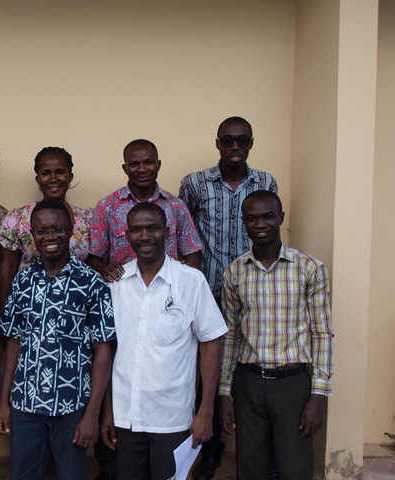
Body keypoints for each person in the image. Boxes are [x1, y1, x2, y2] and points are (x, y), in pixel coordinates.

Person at [179, 117, 277, 480]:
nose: (235, 147)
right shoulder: (194, 183)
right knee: (206, 376)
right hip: (206, 294)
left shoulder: (265, 182)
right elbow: (184, 234)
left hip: (254, 294)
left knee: (249, 372)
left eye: (242, 141)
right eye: (228, 141)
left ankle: (259, 453)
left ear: (251, 143)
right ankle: (209, 451)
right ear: (217, 143)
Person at [100, 203, 226, 480]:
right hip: (125, 417)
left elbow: (210, 344)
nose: (145, 236)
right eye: (137, 229)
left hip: (173, 418)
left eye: (153, 228)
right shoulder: (116, 284)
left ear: (167, 232)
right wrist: (107, 411)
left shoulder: (191, 281)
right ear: (127, 234)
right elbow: (109, 351)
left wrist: (206, 411)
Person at [0, 200, 115, 480]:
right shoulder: (22, 281)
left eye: (58, 229)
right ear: (32, 235)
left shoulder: (93, 283)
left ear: (72, 231)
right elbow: (13, 342)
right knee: (24, 475)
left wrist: (93, 414)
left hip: (73, 406)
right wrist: (5, 402)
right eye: (42, 231)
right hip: (25, 404)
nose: (50, 237)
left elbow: (103, 350)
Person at [219, 190, 334, 480]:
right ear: (243, 222)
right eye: (252, 218)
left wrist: (318, 395)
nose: (261, 224)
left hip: (292, 385)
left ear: (280, 218)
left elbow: (321, 333)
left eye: (268, 216)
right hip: (249, 383)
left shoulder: (309, 268)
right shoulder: (234, 273)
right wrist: (225, 393)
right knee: (250, 467)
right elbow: (231, 335)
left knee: (294, 469)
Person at [89, 138, 202, 283]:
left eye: (148, 162)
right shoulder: (107, 206)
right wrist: (105, 269)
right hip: (123, 288)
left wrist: (188, 283)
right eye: (134, 164)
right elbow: (94, 258)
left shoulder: (176, 206)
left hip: (168, 288)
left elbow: (192, 254)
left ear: (158, 164)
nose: (142, 169)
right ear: (125, 168)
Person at [0, 146, 91, 314]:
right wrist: (5, 312)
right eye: (46, 173)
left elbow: (92, 266)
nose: (53, 178)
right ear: (38, 179)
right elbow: (8, 268)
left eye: (60, 172)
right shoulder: (17, 218)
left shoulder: (87, 219)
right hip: (27, 308)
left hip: (75, 309)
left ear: (70, 177)